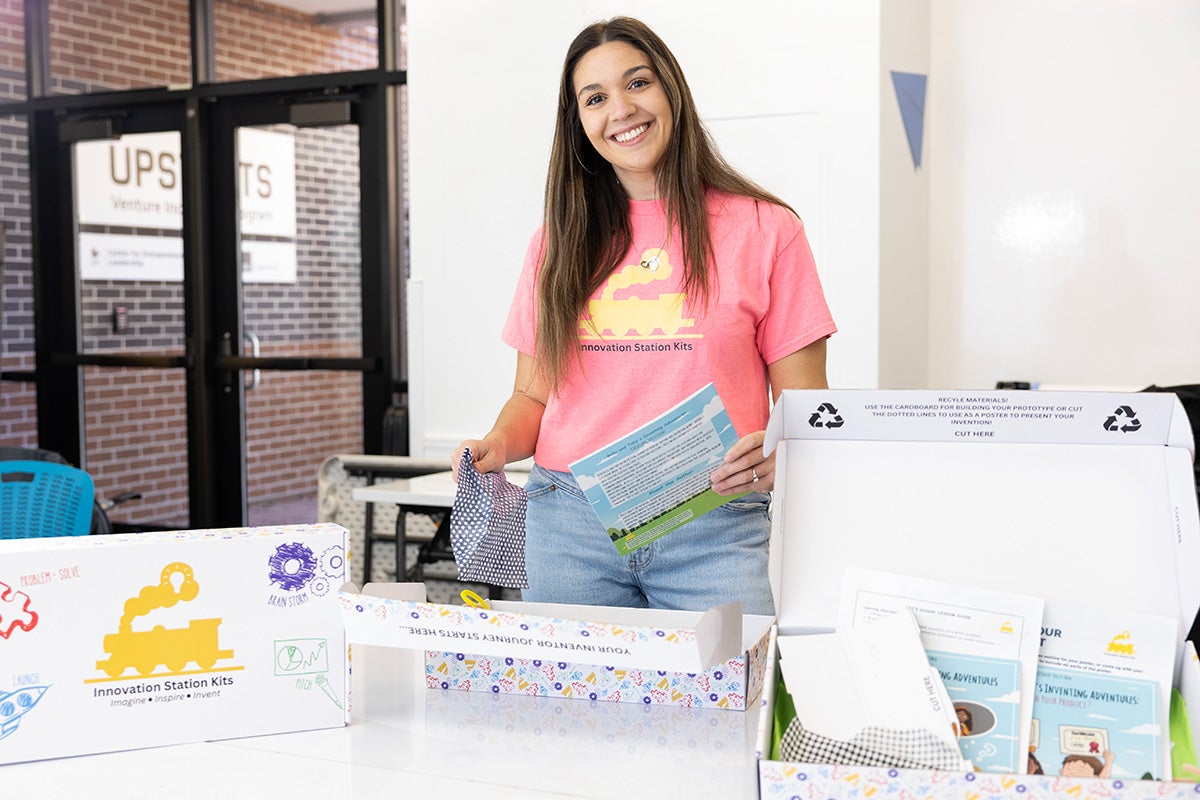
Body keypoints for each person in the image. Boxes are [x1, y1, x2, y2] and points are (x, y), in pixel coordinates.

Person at [451, 16, 836, 614]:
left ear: (671, 91)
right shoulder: (555, 245)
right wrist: (497, 445)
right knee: (575, 704)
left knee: (731, 700)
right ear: (579, 124)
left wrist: (778, 453)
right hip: (570, 525)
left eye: (638, 83)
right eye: (596, 98)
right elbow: (531, 398)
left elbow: (808, 410)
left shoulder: (766, 230)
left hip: (713, 520)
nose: (621, 109)